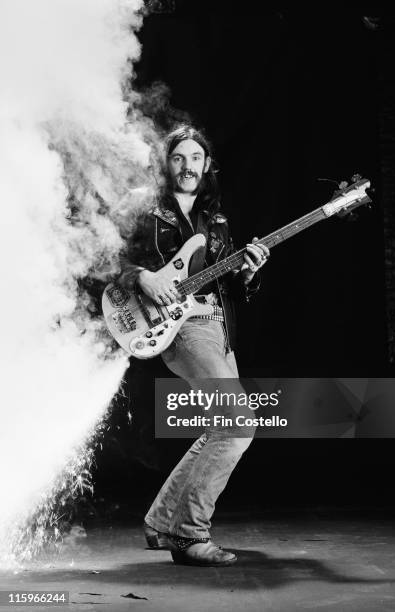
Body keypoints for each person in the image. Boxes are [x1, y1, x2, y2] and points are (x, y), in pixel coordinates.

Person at [118, 125, 270, 566]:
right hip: (182, 328)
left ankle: (161, 522)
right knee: (239, 424)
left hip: (221, 329)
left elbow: (229, 285)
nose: (188, 167)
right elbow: (110, 260)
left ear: (207, 166)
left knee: (226, 428)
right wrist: (143, 276)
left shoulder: (216, 220)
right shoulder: (146, 209)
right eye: (179, 158)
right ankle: (189, 534)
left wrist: (248, 271)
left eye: (196, 159)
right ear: (168, 164)